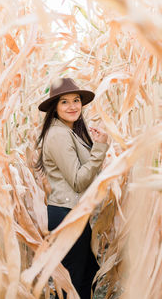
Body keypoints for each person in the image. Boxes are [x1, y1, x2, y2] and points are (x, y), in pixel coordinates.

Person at [36, 77, 108, 299]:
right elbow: (78, 180)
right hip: (66, 215)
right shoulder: (58, 135)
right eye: (64, 102)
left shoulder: (69, 132)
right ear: (54, 108)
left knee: (87, 275)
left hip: (74, 214)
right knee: (72, 283)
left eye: (76, 100)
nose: (73, 106)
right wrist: (100, 149)